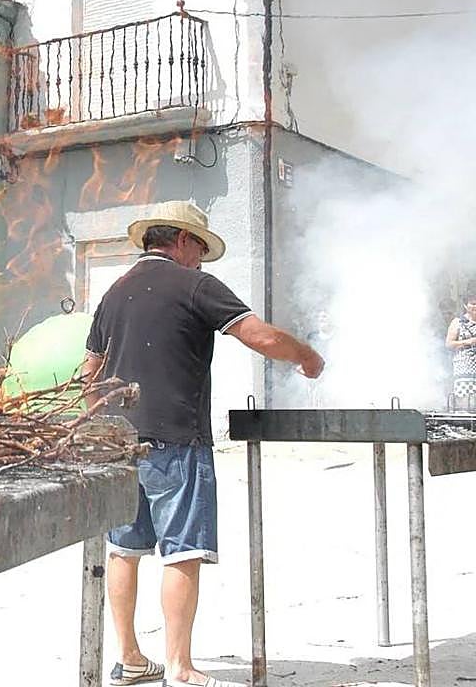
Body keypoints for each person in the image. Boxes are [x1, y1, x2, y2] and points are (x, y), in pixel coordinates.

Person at [82, 202, 323, 687]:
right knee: (182, 552)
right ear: (184, 241)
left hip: (117, 441)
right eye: (200, 249)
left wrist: (99, 424)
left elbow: (90, 370)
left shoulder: (115, 292)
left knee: (123, 549)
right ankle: (180, 667)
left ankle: (130, 658)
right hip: (176, 437)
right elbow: (258, 335)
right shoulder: (195, 286)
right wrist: (307, 356)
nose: (202, 260)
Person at [444, 291, 476, 411]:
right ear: (465, 306)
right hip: (464, 370)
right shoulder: (458, 322)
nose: (475, 307)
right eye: (472, 304)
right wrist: (468, 342)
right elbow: (449, 344)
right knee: (465, 402)